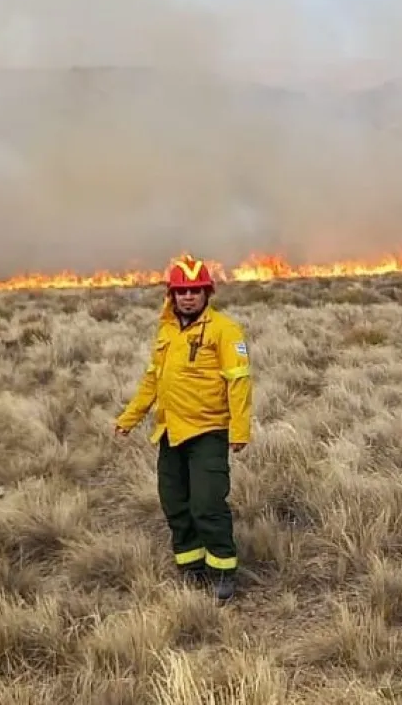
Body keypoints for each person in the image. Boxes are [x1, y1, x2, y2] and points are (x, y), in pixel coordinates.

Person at [113, 254, 252, 603]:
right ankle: (192, 565)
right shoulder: (166, 332)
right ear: (172, 295)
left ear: (207, 293)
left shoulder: (225, 330)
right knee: (175, 502)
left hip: (208, 431)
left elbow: (239, 383)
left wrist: (239, 431)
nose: (188, 297)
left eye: (195, 290)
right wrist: (129, 418)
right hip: (171, 433)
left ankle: (223, 572)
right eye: (181, 291)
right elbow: (152, 381)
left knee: (207, 503)